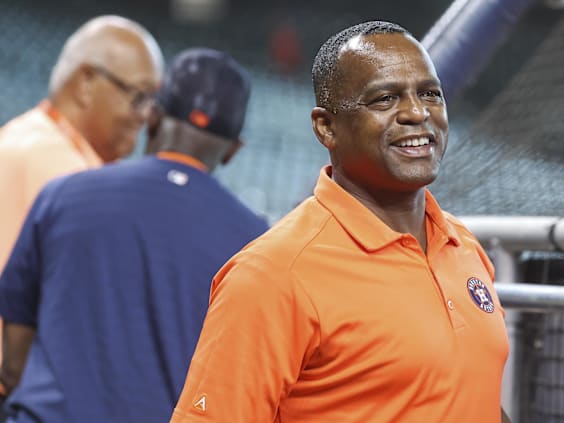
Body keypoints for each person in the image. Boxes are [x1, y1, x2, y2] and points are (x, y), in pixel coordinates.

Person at [171, 21, 510, 423]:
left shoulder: (464, 246)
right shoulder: (273, 274)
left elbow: (470, 390)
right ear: (326, 127)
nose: (417, 113)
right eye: (385, 99)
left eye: (430, 94)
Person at [0, 48, 269, 423]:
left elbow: (12, 361)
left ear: (154, 117)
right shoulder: (260, 244)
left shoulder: (65, 194)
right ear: (233, 150)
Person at [0, 15, 164, 273]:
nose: (145, 115)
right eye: (139, 96)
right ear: (86, 82)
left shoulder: (27, 135)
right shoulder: (56, 163)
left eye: (151, 101)